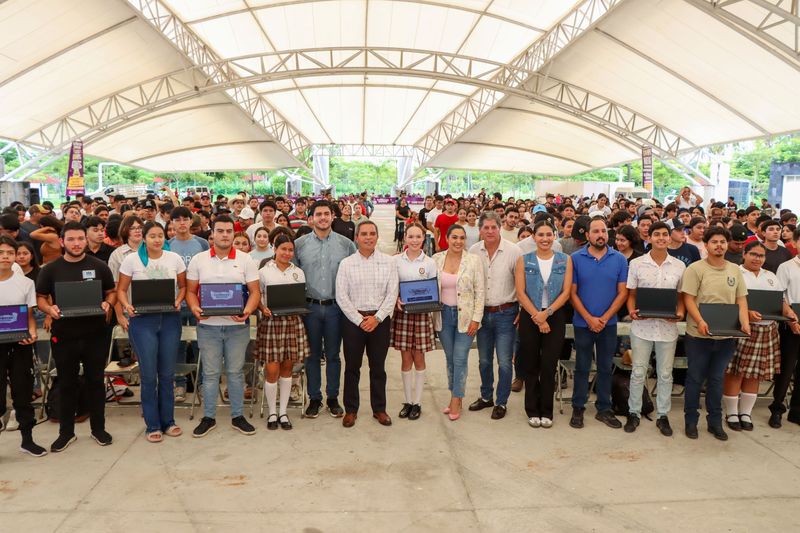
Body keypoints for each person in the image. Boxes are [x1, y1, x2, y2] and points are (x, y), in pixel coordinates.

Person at [36, 222, 116, 452]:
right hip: (64, 336)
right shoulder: (50, 269)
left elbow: (111, 292)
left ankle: (98, 429)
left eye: (80, 238)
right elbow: (41, 297)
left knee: (95, 382)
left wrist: (107, 303)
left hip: (95, 335)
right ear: (62, 242)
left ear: (86, 239)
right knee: (66, 383)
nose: (77, 243)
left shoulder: (99, 266)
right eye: (71, 239)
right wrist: (49, 310)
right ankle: (66, 432)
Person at [186, 215, 260, 438]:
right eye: (220, 231)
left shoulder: (246, 259)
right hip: (208, 326)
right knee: (210, 374)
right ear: (213, 234)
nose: (225, 235)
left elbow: (255, 292)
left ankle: (238, 416)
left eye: (229, 231)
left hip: (237, 327)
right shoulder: (199, 260)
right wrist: (195, 308)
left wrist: (247, 310)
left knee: (235, 373)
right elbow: (190, 291)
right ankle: (208, 417)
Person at [116, 222, 186, 442]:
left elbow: (183, 287)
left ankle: (169, 421)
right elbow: (121, 289)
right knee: (148, 376)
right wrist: (126, 307)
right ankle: (152, 424)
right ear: (143, 238)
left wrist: (178, 300)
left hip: (169, 320)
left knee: (167, 374)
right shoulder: (132, 260)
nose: (157, 239)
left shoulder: (173, 258)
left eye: (161, 235)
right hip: (143, 321)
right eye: (152, 236)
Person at [680, 226, 750, 441]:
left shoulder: (734, 270)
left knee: (717, 380)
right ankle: (691, 421)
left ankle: (715, 422)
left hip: (726, 336)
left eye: (722, 242)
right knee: (694, 379)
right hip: (699, 336)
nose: (719, 245)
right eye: (714, 242)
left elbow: (741, 299)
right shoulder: (695, 269)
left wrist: (744, 323)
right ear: (707, 245)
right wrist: (700, 321)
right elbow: (688, 298)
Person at [294, 200, 356, 418]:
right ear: (311, 218)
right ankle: (314, 398)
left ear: (332, 217)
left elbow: (353, 276)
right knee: (310, 356)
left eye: (326, 214)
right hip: (309, 308)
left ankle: (332, 397)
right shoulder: (299, 244)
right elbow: (294, 277)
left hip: (336, 308)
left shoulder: (346, 244)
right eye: (318, 214)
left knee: (333, 355)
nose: (322, 218)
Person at [723, 241, 793, 433]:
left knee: (755, 374)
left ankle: (745, 413)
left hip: (767, 330)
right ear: (744, 254)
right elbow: (727, 300)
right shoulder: (734, 272)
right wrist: (747, 312)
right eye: (753, 254)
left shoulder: (770, 276)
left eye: (761, 256)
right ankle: (731, 413)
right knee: (735, 372)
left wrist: (789, 312)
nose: (757, 258)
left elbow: (780, 301)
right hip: (741, 328)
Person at [624, 221, 686, 436]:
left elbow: (681, 297)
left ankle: (662, 415)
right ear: (648, 237)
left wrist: (680, 314)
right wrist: (632, 311)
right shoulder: (637, 264)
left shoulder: (679, 266)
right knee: (638, 371)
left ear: (670, 238)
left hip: (667, 329)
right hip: (642, 327)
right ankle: (634, 412)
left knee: (665, 374)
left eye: (665, 234)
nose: (661, 238)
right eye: (656, 234)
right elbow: (631, 295)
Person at [335, 220, 399, 428]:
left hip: (379, 321)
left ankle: (379, 409)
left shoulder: (388, 262)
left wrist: (377, 318)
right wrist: (359, 319)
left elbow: (392, 294)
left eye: (372, 233)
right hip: (354, 322)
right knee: (352, 367)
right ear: (357, 237)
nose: (368, 237)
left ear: (377, 237)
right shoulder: (347, 263)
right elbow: (341, 296)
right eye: (364, 234)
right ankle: (351, 410)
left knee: (378, 367)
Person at [569, 217, 629, 430]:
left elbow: (622, 293)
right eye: (595, 231)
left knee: (605, 367)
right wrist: (589, 318)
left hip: (608, 324)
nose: (600, 235)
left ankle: (604, 408)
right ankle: (578, 406)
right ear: (587, 235)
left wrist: (604, 318)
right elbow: (572, 293)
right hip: (583, 323)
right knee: (582, 367)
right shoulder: (575, 259)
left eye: (603, 230)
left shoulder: (619, 259)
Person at [515, 221, 572, 428]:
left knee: (548, 365)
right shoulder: (524, 260)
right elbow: (521, 293)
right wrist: (537, 316)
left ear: (554, 235)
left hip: (554, 316)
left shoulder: (564, 260)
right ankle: (532, 409)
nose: (545, 239)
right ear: (534, 237)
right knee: (531, 365)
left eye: (549, 234)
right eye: (541, 235)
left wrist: (546, 314)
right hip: (530, 315)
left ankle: (547, 410)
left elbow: (566, 292)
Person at [468, 212, 521, 420]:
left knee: (505, 361)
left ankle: (501, 402)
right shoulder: (473, 251)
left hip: (506, 313)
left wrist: (523, 311)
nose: (490, 231)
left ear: (500, 228)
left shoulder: (513, 251)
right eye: (486, 228)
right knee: (483, 360)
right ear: (480, 230)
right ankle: (486, 396)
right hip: (482, 314)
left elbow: (521, 284)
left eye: (493, 227)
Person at [256, 232, 310, 431]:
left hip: (293, 323)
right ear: (274, 249)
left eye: (290, 250)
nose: (287, 253)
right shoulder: (263, 271)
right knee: (272, 370)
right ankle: (272, 412)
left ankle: (284, 412)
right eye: (283, 249)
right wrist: (263, 308)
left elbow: (300, 297)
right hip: (271, 324)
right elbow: (257, 296)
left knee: (288, 368)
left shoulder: (299, 272)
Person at [0, 236, 46, 456]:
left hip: (21, 343)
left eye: (10, 252)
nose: (6, 257)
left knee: (23, 391)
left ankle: (27, 440)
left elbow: (28, 316)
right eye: (1, 252)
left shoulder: (26, 283)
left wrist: (33, 332)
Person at [433, 225, 484, 420]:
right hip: (443, 315)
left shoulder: (473, 261)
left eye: (462, 238)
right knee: (450, 358)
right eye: (454, 237)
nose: (458, 241)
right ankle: (456, 394)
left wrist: (476, 319)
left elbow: (480, 292)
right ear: (446, 238)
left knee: (460, 358)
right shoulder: (436, 259)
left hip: (466, 316)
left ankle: (456, 398)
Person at [392, 223, 437, 421]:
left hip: (421, 315)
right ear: (405, 238)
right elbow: (391, 286)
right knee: (405, 359)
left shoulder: (429, 262)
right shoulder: (395, 261)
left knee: (419, 358)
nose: (415, 240)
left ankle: (417, 403)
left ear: (424, 238)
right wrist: (395, 299)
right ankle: (408, 401)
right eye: (411, 236)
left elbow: (433, 290)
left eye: (418, 236)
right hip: (402, 314)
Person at [772, 227, 800, 428]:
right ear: (796, 243)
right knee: (786, 369)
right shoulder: (787, 266)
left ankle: (797, 411)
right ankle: (777, 407)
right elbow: (779, 296)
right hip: (791, 322)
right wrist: (791, 319)